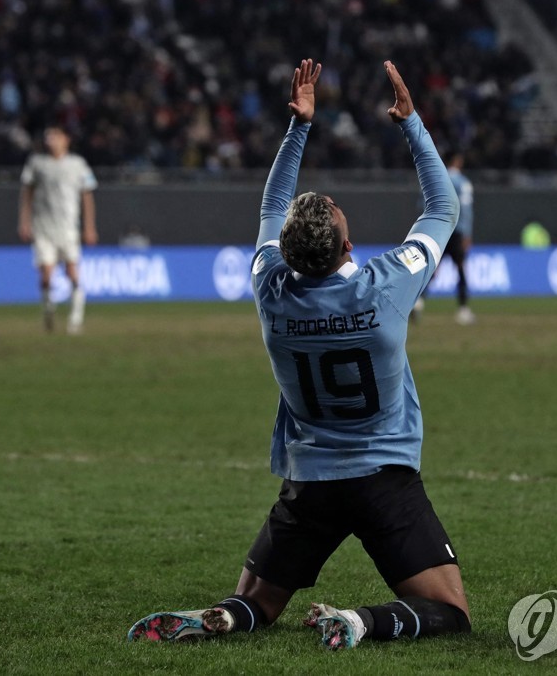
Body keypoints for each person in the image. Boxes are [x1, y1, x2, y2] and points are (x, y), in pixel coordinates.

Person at [128, 59, 470, 650]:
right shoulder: (385, 286)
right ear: (348, 244)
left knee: (255, 602)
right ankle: (365, 621)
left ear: (286, 253)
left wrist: (298, 127)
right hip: (384, 476)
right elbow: (442, 209)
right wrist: (412, 125)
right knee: (450, 610)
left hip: (309, 481)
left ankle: (226, 619)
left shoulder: (270, 290)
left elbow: (269, 210)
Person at [18, 125, 98, 334]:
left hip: (69, 227)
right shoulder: (36, 164)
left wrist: (89, 227)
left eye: (55, 137)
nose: (51, 141)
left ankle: (76, 316)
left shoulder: (78, 164)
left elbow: (87, 196)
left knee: (72, 272)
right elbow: (27, 192)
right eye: (48, 137)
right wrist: (24, 221)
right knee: (46, 274)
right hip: (43, 227)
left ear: (66, 140)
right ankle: (48, 307)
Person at [412, 150, 475, 324]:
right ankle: (463, 309)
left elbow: (422, 206)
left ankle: (418, 302)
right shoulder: (462, 182)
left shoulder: (432, 178)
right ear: (458, 160)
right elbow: (466, 209)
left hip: (436, 231)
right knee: (461, 269)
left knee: (432, 270)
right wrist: (467, 234)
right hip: (456, 230)